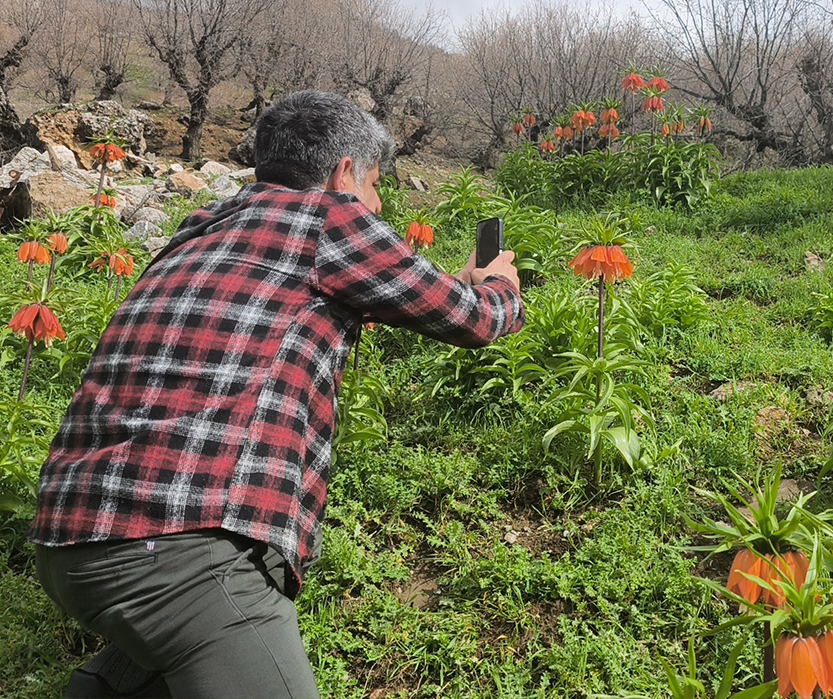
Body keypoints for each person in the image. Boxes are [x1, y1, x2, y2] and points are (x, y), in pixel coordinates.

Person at [28, 90, 525, 699]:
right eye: (374, 187)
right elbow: (475, 319)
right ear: (344, 172)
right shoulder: (332, 218)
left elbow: (305, 300)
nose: (377, 207)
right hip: (183, 546)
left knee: (161, 661)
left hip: (67, 538)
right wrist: (500, 285)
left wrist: (450, 282)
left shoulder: (202, 226)